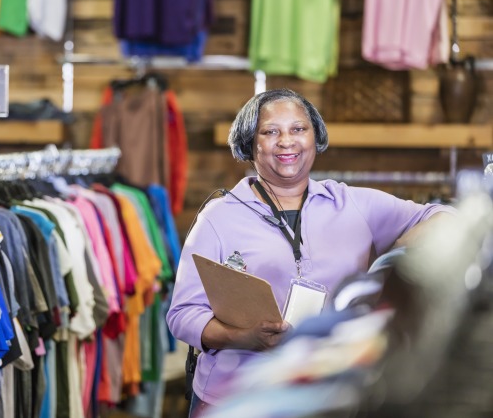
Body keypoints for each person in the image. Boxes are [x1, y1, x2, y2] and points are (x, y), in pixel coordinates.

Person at [166, 88, 455, 416]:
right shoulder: (219, 218)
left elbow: (442, 217)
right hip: (234, 395)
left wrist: (394, 258)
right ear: (250, 143)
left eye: (298, 129)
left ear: (315, 137)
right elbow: (182, 314)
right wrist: (241, 337)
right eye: (271, 131)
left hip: (329, 393)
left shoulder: (354, 204)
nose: (286, 141)